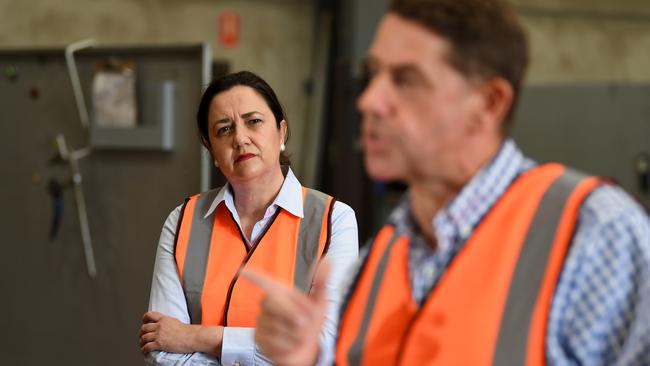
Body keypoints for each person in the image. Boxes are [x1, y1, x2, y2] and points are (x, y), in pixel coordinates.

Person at [244, 0, 650, 365]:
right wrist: (311, 357)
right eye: (374, 75)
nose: (369, 100)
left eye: (405, 79)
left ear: (489, 103)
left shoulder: (596, 234)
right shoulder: (380, 257)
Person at [139, 71, 359, 365]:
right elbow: (161, 348)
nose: (240, 138)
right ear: (213, 151)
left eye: (253, 121)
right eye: (224, 129)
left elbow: (323, 348)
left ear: (281, 132)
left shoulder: (334, 221)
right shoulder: (182, 221)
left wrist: (198, 336)